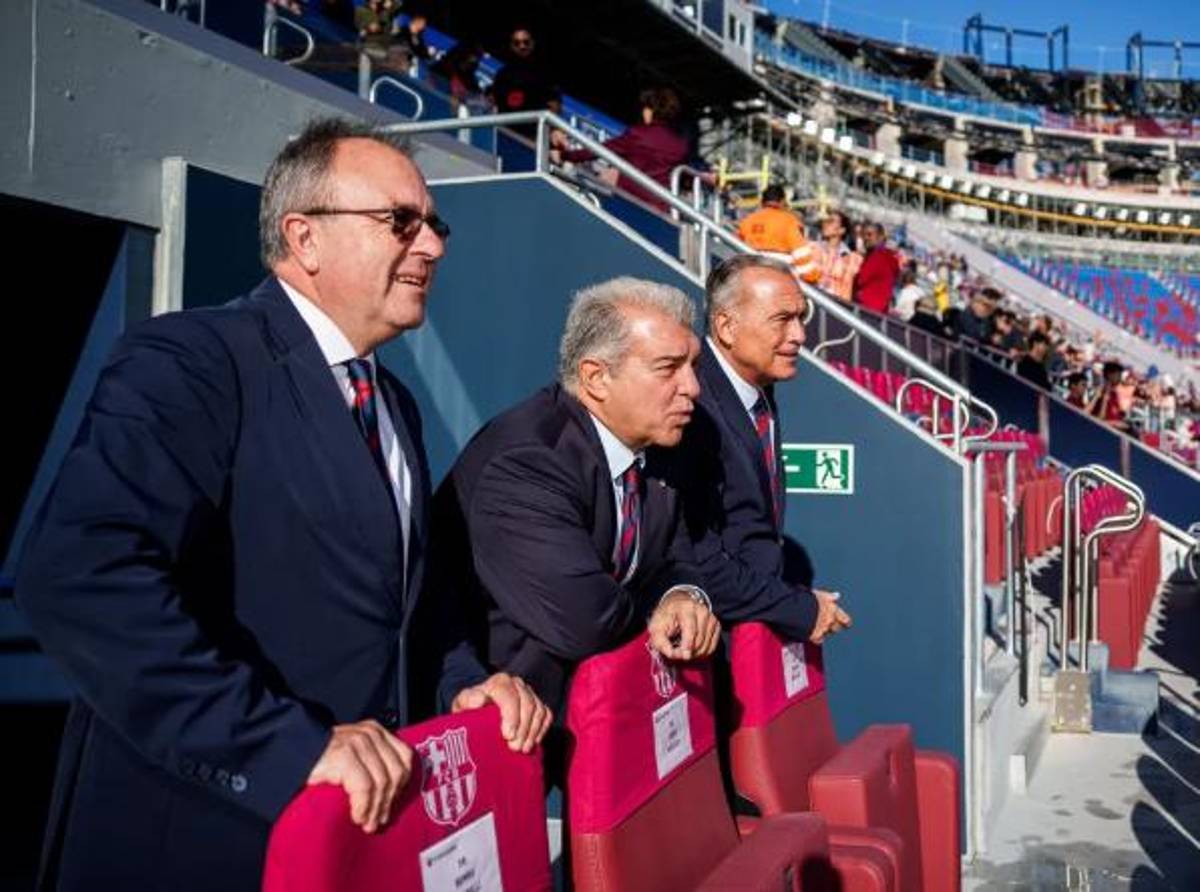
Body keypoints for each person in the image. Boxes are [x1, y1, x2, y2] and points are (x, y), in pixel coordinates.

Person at [15, 119, 551, 891]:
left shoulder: (390, 399)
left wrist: (465, 678)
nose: (432, 245)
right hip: (203, 835)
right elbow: (79, 575)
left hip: (352, 837)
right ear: (305, 238)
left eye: (435, 224)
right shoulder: (192, 360)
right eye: (401, 221)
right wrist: (285, 746)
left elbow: (406, 605)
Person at [432, 277, 721, 715]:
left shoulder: (660, 444)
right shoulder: (528, 462)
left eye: (694, 366)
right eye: (668, 368)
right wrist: (658, 608)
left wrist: (682, 596)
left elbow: (676, 554)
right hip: (509, 726)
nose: (693, 388)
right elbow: (586, 621)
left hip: (593, 720)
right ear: (596, 377)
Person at [679, 255, 852, 644]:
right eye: (782, 319)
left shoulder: (759, 390)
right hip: (708, 645)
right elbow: (696, 559)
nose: (799, 336)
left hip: (747, 632)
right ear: (726, 326)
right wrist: (799, 608)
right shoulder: (691, 407)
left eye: (801, 318)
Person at [553, 87, 690, 211]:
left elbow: (598, 151)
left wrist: (565, 155)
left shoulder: (639, 134)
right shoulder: (680, 146)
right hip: (660, 209)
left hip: (628, 201)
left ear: (649, 110)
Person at [735, 185, 820, 284]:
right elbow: (801, 255)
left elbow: (737, 252)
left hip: (751, 280)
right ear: (783, 201)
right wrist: (812, 277)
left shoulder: (747, 222)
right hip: (780, 281)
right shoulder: (789, 222)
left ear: (762, 201)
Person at [489, 26, 559, 116]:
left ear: (532, 44)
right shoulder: (502, 74)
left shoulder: (545, 73)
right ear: (511, 46)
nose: (522, 46)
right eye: (517, 43)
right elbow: (495, 102)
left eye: (526, 42)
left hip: (535, 127)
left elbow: (554, 104)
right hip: (506, 127)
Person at [813, 209, 862, 302]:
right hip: (811, 302)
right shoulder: (813, 247)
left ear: (842, 230)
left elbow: (847, 290)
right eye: (825, 221)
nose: (825, 224)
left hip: (834, 307)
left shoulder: (851, 259)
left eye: (831, 221)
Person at [852, 222, 899, 314]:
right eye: (863, 235)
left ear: (881, 237)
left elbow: (861, 280)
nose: (865, 238)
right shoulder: (888, 257)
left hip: (867, 309)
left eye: (870, 234)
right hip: (879, 310)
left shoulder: (878, 256)